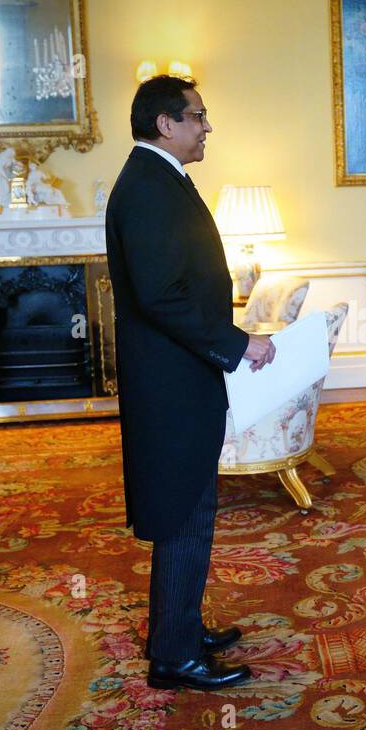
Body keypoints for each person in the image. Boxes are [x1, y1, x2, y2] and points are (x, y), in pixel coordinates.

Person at [105, 75, 275, 692]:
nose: (207, 127)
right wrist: (237, 342)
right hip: (170, 380)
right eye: (199, 116)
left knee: (192, 506)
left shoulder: (159, 178)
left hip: (181, 372)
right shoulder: (149, 187)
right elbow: (159, 296)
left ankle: (178, 629)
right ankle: (174, 659)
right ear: (165, 124)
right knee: (182, 511)